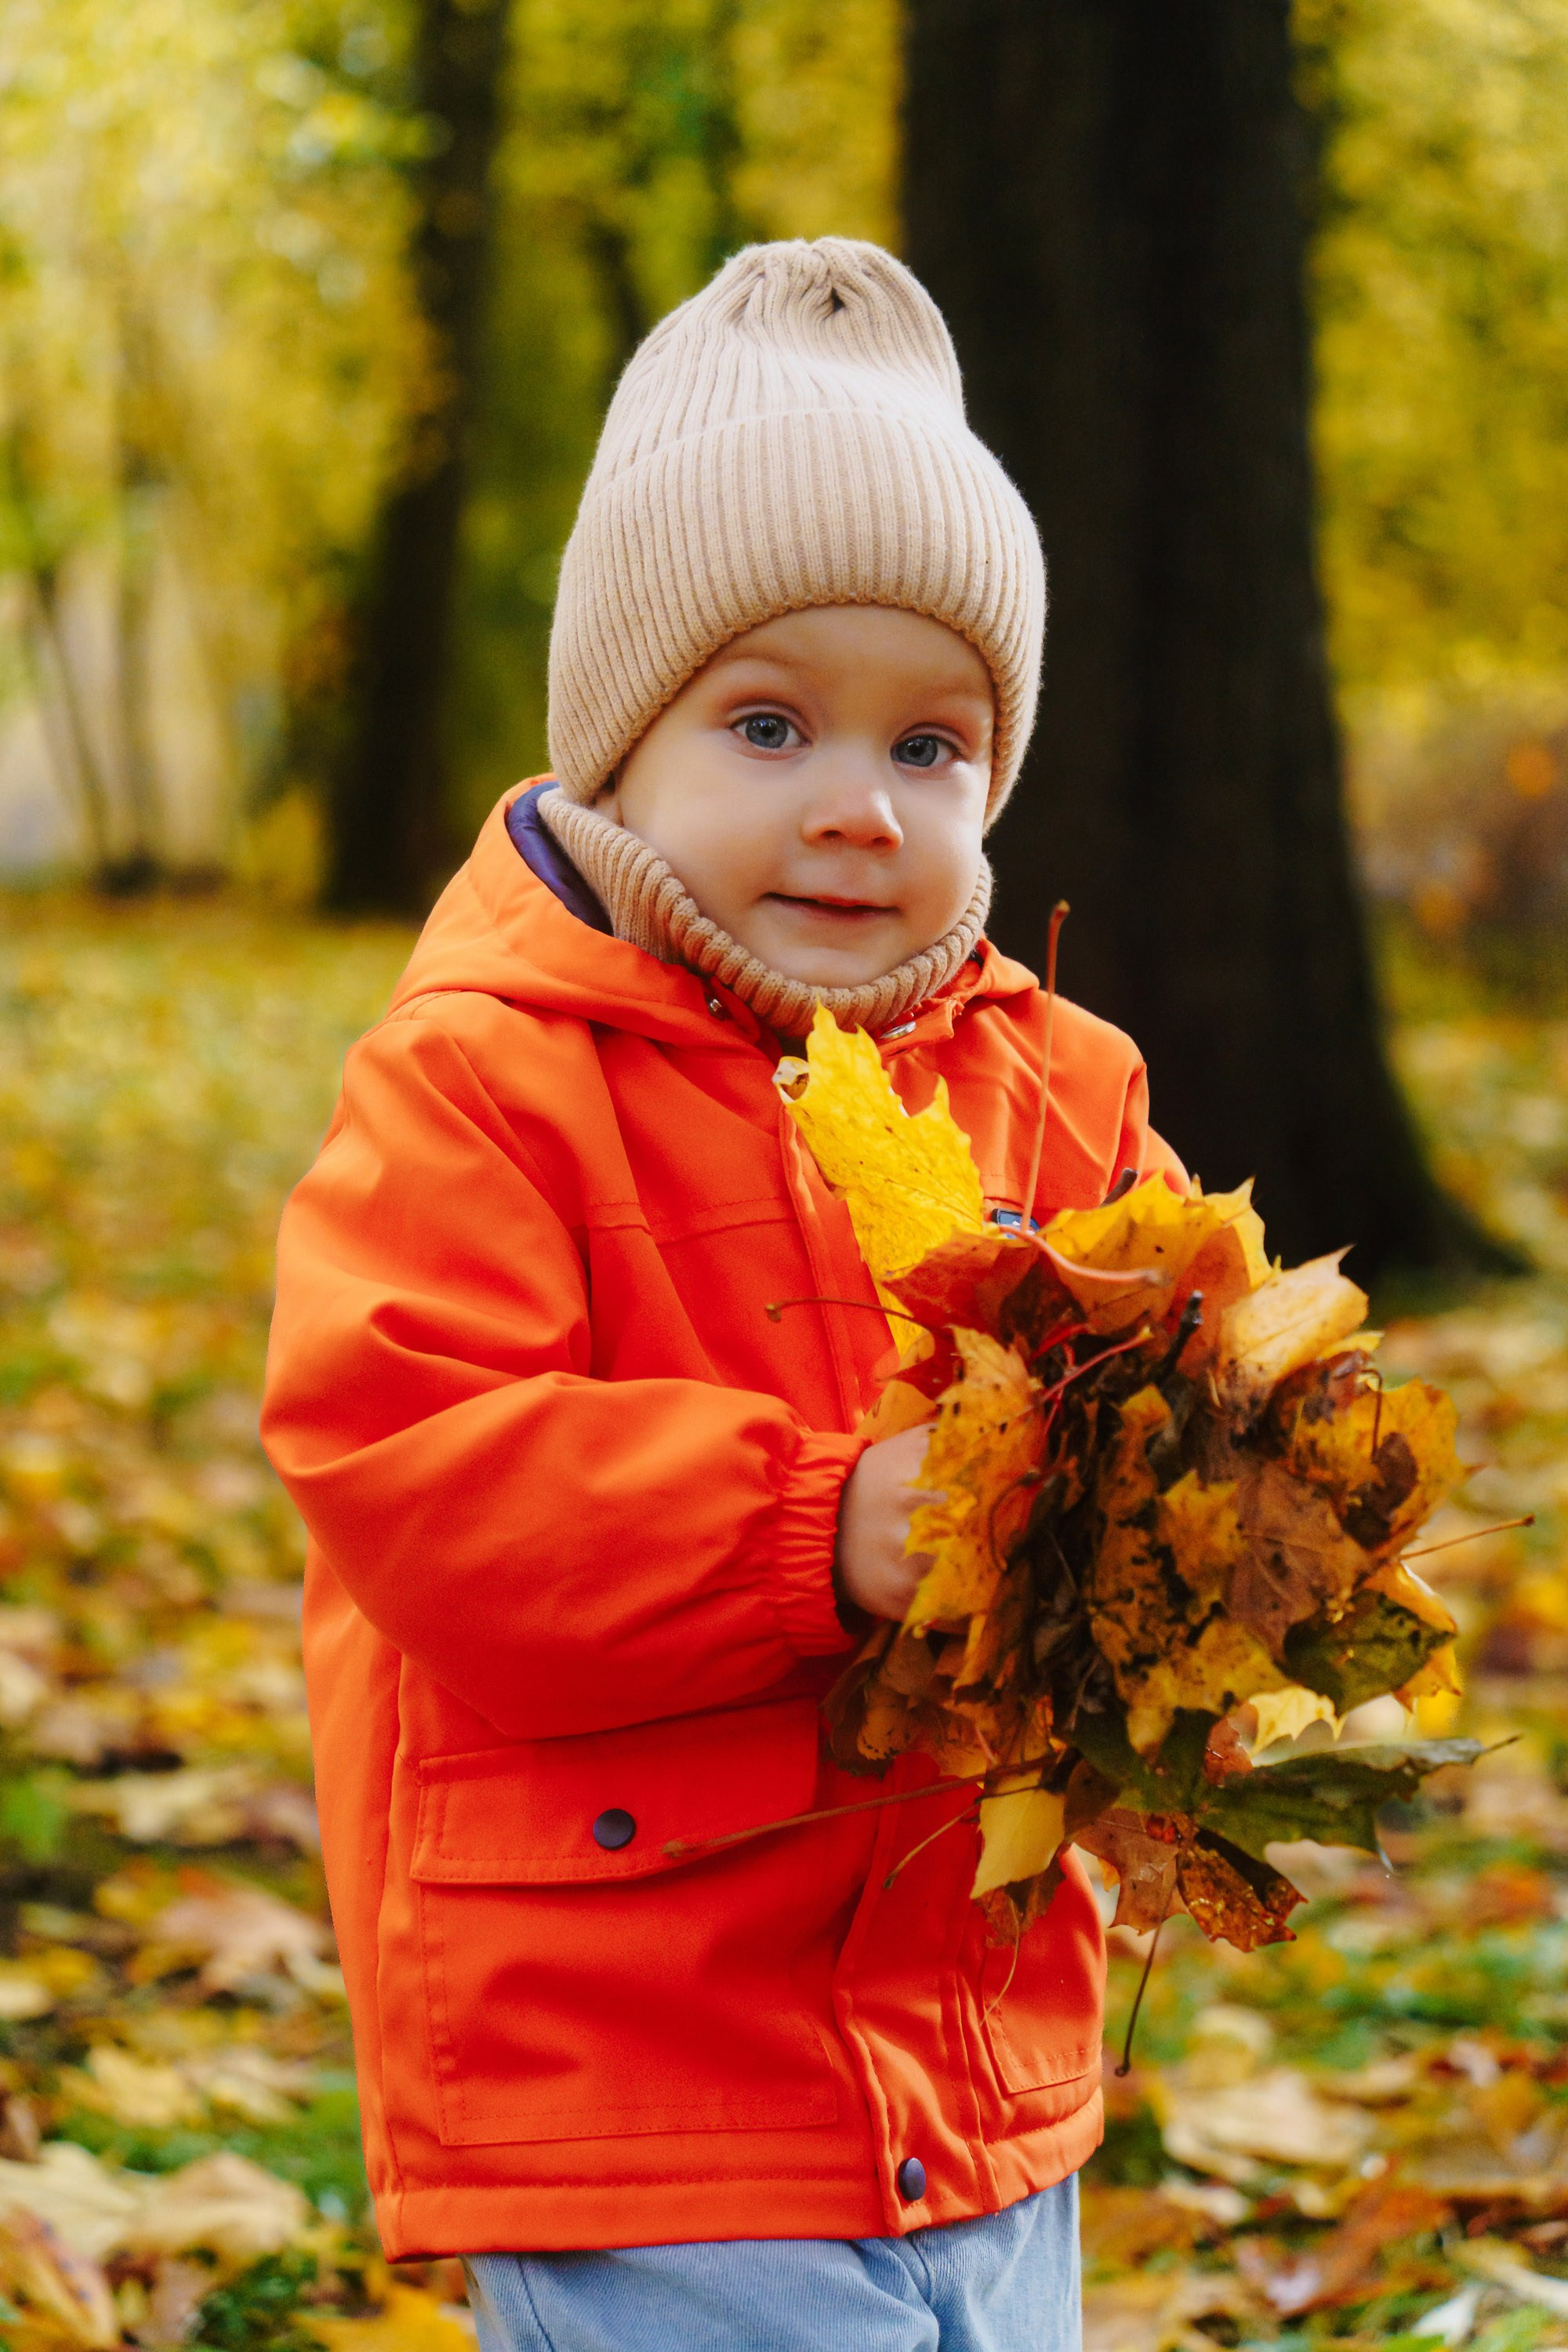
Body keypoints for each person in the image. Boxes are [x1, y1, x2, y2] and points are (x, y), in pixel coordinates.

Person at [262, 238, 1182, 2352]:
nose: (859, 806)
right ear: (615, 744)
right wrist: (810, 1525)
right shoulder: (490, 1071)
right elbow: (407, 1454)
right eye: (768, 723)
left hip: (975, 2034)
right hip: (634, 2050)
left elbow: (1146, 1419)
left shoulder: (1059, 1079)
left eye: (933, 746)